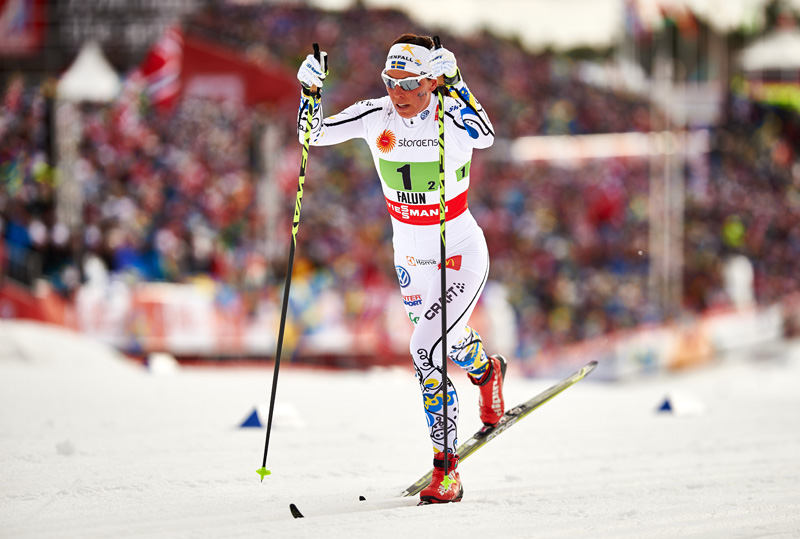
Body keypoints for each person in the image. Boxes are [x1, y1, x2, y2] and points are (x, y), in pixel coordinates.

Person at [296, 34, 506, 504]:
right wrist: (309, 93)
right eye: (391, 81)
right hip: (410, 258)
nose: (398, 92)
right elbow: (311, 134)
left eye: (409, 82)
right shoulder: (377, 115)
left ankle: (445, 469)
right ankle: (485, 372)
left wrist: (456, 83)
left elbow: (485, 136)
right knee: (443, 342)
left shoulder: (449, 113)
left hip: (459, 251)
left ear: (429, 80)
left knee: (424, 349)